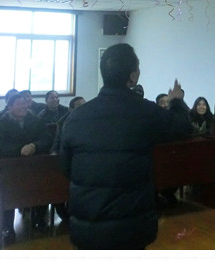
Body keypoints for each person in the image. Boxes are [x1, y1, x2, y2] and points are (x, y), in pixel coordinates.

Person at [58, 43, 192, 249]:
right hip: (131, 224)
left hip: (88, 223)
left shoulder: (75, 118)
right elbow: (182, 127)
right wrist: (176, 101)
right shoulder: (145, 111)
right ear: (133, 76)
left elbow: (65, 167)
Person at [0, 91, 54, 243]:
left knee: (43, 185)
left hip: (34, 166)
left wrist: (34, 146)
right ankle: (7, 226)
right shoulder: (1, 123)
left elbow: (47, 139)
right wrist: (20, 150)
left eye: (25, 103)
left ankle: (39, 220)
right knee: (9, 192)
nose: (24, 106)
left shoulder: (35, 120)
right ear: (10, 107)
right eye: (19, 104)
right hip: (11, 168)